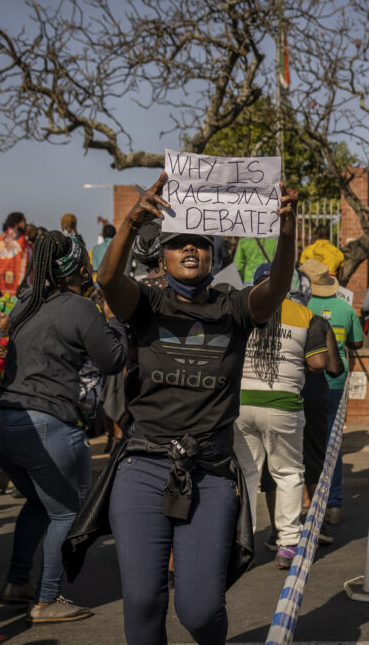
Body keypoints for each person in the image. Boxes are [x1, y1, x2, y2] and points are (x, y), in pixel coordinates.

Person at [95, 172, 298, 644]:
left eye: (200, 243)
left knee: (200, 610)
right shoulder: (145, 303)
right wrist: (130, 222)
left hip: (209, 471)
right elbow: (107, 279)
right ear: (162, 256)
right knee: (144, 602)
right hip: (142, 467)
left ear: (214, 253)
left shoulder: (235, 308)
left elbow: (278, 287)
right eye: (178, 243)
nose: (190, 250)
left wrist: (286, 234)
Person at [0, 231, 127, 623]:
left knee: (39, 503)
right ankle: (47, 599)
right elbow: (113, 360)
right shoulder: (82, 308)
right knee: (67, 512)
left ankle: (18, 583)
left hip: (0, 422)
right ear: (82, 268)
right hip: (47, 422)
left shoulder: (26, 303)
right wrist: (114, 320)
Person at [234, 264, 329, 568]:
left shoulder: (243, 308)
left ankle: (241, 542)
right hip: (283, 404)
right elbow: (318, 363)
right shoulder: (304, 314)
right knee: (288, 473)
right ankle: (288, 543)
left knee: (246, 473)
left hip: (241, 404)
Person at [300, 258, 363, 525]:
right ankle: (334, 505)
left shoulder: (302, 307)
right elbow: (357, 342)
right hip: (336, 384)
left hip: (308, 382)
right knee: (333, 444)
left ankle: (308, 502)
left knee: (305, 444)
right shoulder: (345, 308)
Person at [0, 212, 31, 296]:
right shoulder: (24, 241)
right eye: (24, 222)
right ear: (17, 224)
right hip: (18, 288)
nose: (26, 225)